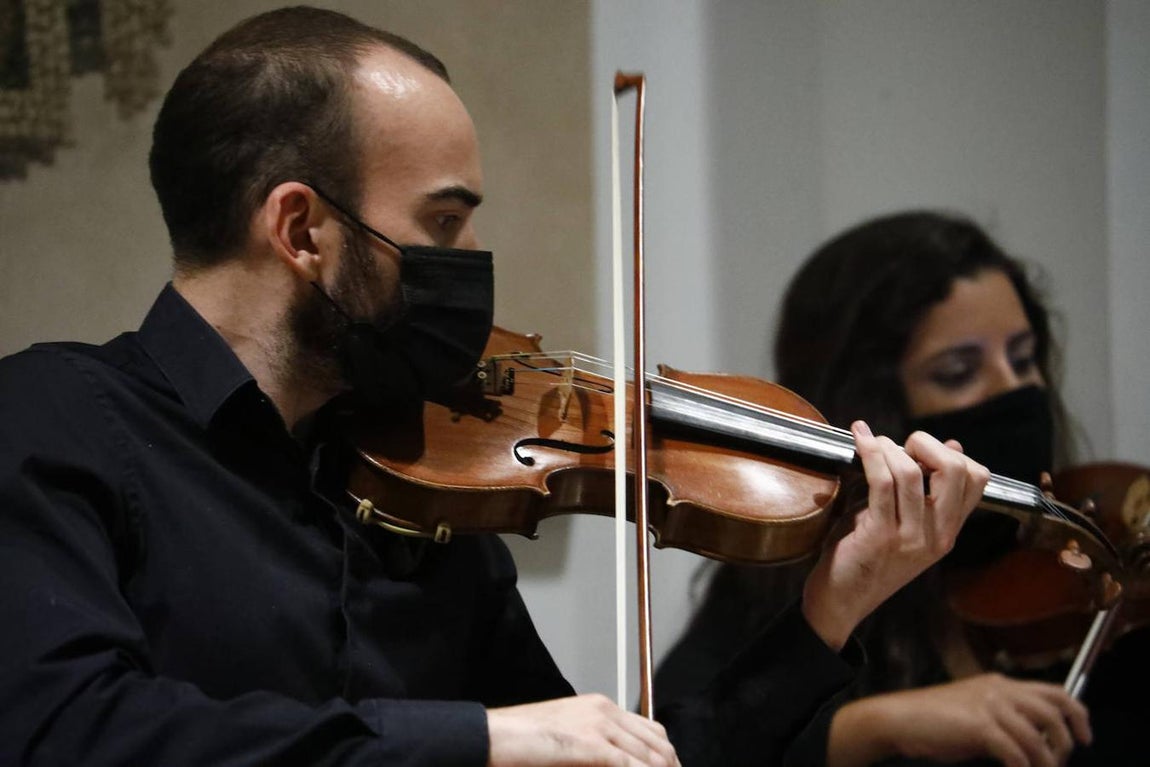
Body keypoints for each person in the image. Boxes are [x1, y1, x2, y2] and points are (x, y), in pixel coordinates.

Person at [0, 9, 989, 766]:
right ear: (301, 230)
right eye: (443, 222)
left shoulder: (423, 485)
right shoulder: (54, 420)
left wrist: (828, 609)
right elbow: (67, 728)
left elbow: (615, 758)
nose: (472, 258)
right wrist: (478, 739)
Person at [654, 210, 1133, 767]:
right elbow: (677, 745)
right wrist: (876, 727)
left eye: (1024, 360)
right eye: (958, 372)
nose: (1016, 392)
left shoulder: (1078, 574)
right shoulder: (781, 580)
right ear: (870, 404)